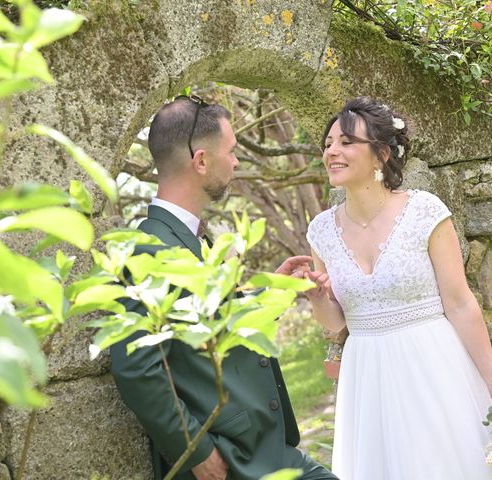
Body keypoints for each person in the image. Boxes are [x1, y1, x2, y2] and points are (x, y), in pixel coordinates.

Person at [110, 95, 337, 480]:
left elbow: (209, 321)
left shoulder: (189, 238)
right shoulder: (150, 248)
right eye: (231, 152)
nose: (235, 161)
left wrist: (277, 291)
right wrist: (194, 449)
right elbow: (136, 366)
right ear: (200, 161)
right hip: (230, 458)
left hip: (259, 449)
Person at [304, 96, 492, 479]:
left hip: (431, 364)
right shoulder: (321, 231)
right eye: (328, 143)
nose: (332, 150)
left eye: (347, 142)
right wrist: (317, 298)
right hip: (365, 375)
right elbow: (335, 324)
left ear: (381, 154)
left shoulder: (424, 211)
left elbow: (461, 304)